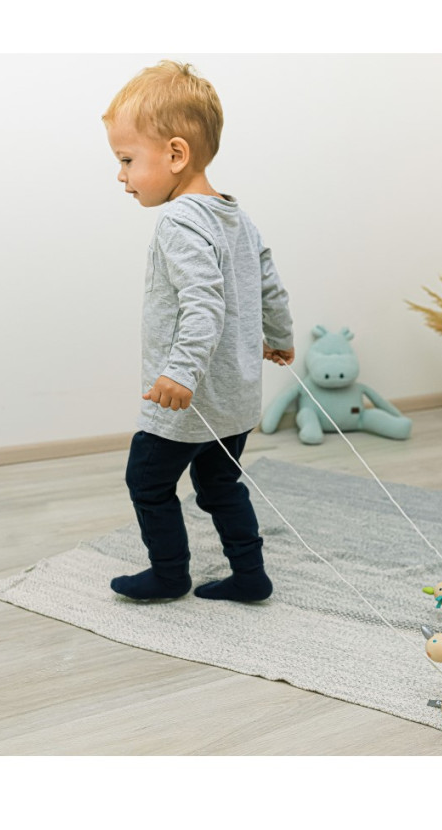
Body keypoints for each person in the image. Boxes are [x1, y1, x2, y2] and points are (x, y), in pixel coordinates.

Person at [102, 60, 294, 602]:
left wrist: (180, 374)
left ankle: (169, 574)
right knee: (219, 484)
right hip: (235, 399)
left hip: (185, 400)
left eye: (127, 160)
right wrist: (280, 337)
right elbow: (271, 287)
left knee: (148, 483)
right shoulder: (237, 216)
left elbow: (203, 304)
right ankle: (250, 576)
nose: (121, 176)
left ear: (176, 154)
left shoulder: (178, 220)